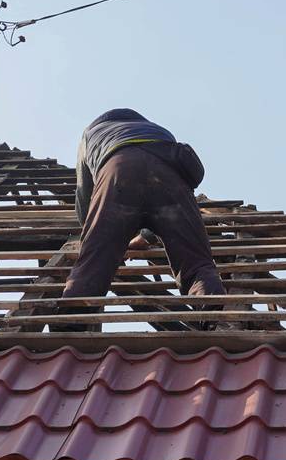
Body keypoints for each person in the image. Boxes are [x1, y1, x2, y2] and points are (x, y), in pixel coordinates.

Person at [60, 109, 226, 318]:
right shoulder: (159, 130)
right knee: (194, 256)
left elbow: (85, 194)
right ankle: (210, 304)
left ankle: (74, 313)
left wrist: (100, 235)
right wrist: (147, 236)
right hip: (170, 179)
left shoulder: (90, 133)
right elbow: (156, 201)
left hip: (118, 170)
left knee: (95, 257)